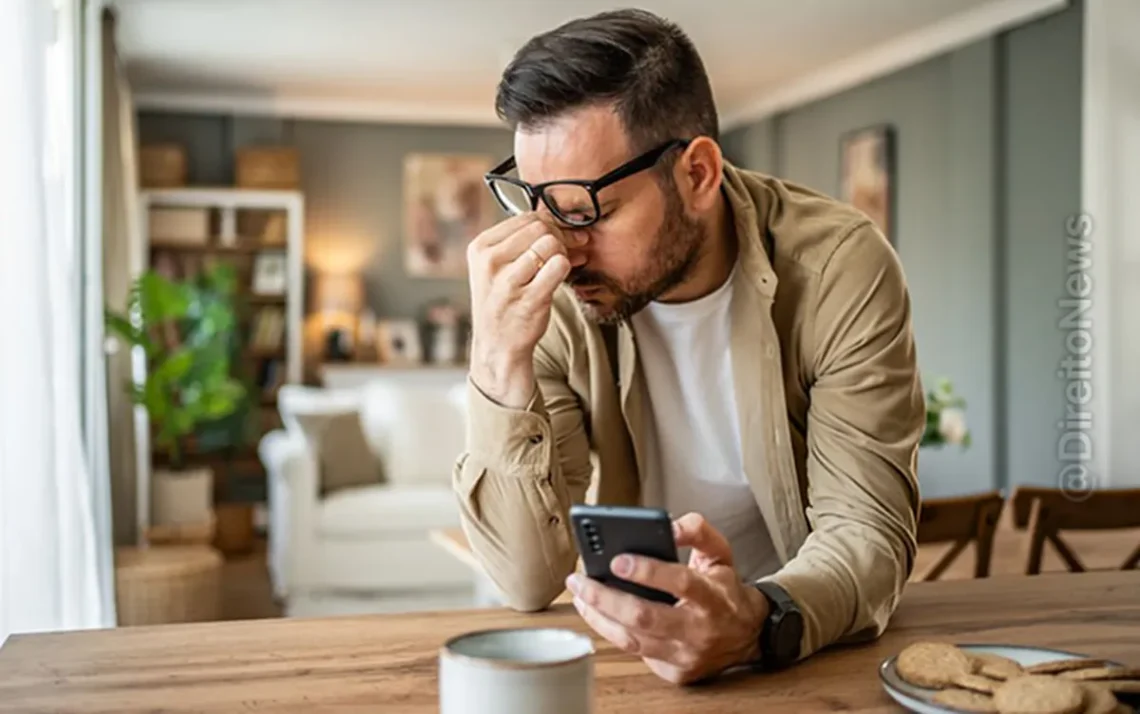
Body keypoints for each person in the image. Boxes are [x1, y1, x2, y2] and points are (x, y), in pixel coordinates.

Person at [454, 8, 925, 685]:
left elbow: (869, 537)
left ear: (698, 174)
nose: (559, 242)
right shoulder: (554, 294)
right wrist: (497, 359)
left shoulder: (839, 269)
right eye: (537, 203)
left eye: (588, 209)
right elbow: (525, 581)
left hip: (798, 647)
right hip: (623, 655)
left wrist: (754, 621)